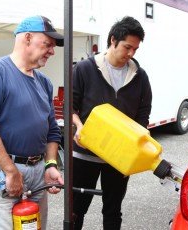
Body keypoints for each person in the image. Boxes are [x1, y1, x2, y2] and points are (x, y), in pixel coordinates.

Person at [0, 15, 64, 230]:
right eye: (47, 44)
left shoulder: (44, 82)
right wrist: (11, 171)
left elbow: (52, 130)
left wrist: (50, 164)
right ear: (27, 38)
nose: (52, 51)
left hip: (37, 170)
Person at [72, 16, 152, 230]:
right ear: (113, 40)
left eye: (135, 49)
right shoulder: (84, 69)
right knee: (76, 209)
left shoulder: (140, 76)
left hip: (120, 158)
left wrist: (139, 138)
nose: (131, 53)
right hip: (85, 153)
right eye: (127, 47)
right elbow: (70, 106)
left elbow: (143, 114)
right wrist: (79, 127)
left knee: (113, 210)